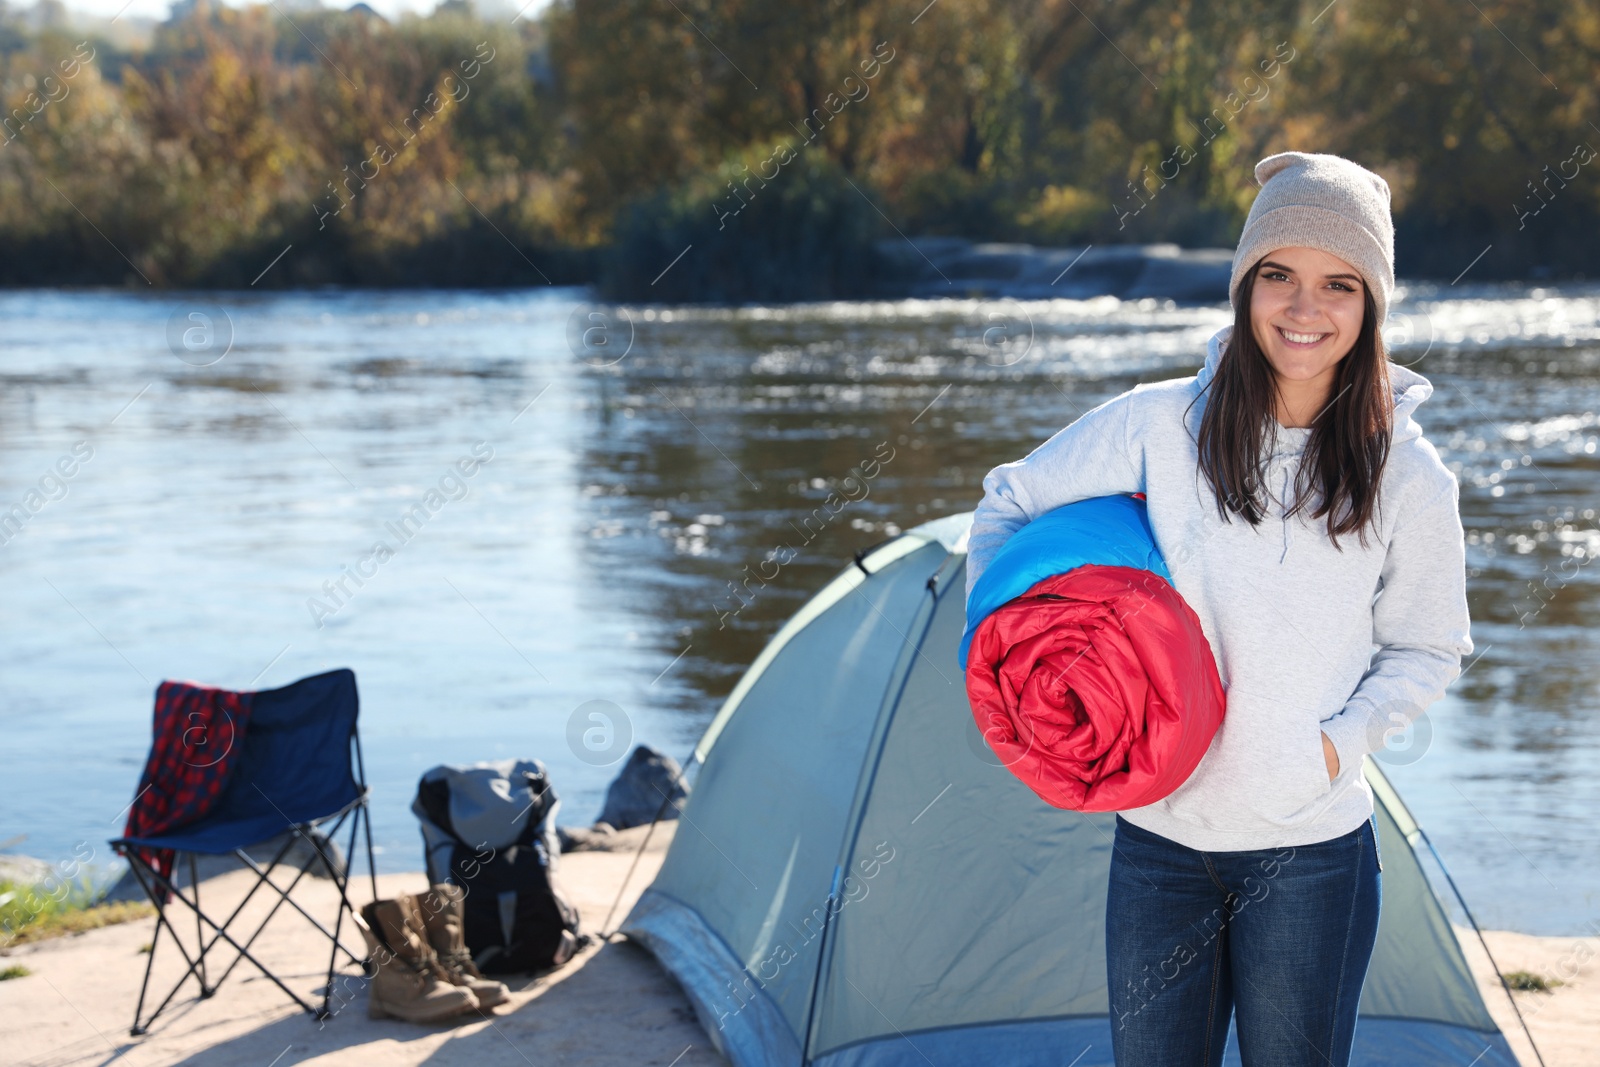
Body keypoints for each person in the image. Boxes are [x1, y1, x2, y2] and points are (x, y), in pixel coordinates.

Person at [963, 151, 1473, 1066]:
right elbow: (1008, 500)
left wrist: (1334, 742)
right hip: (1161, 843)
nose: (1304, 308)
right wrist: (1006, 657)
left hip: (1311, 855)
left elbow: (1431, 648)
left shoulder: (1410, 476)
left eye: (1338, 285)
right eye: (1277, 275)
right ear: (1244, 287)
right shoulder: (1160, 425)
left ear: (1372, 307)